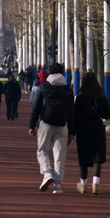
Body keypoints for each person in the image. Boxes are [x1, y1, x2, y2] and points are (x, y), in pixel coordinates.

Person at [29, 62, 75, 194]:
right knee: (60, 155)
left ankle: (47, 173)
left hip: (46, 123)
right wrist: (72, 131)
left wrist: (32, 126)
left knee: (42, 150)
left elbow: (36, 108)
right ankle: (58, 185)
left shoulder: (43, 88)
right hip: (62, 125)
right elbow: (72, 112)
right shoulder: (67, 89)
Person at [72, 72, 110, 195]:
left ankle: (83, 184)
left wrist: (72, 132)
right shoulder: (100, 97)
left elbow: (75, 117)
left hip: (83, 128)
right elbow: (107, 114)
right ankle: (96, 184)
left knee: (84, 156)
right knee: (97, 156)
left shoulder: (79, 98)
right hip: (97, 127)